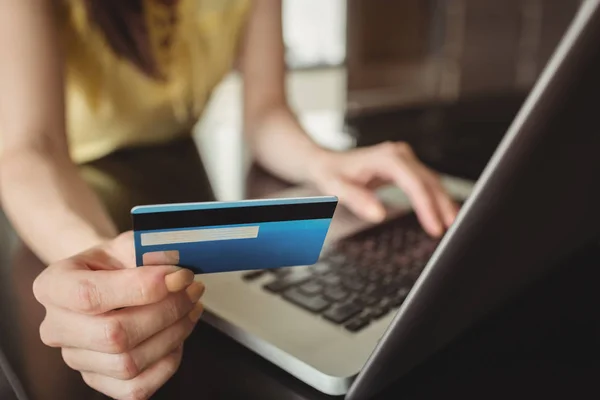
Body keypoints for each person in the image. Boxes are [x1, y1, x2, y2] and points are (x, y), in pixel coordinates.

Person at [0, 0, 458, 398]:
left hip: (181, 164)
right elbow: (30, 148)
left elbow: (266, 112)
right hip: (69, 185)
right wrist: (94, 257)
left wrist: (321, 161)